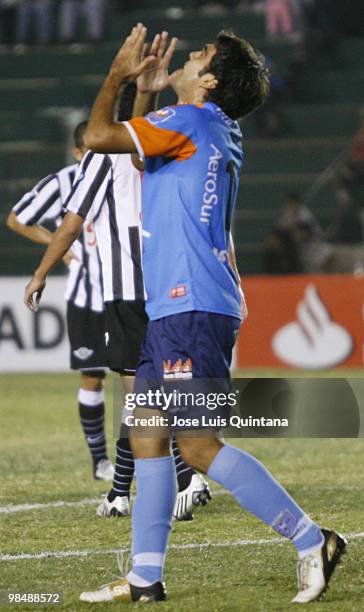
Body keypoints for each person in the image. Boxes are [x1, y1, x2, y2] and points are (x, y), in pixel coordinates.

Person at [25, 25, 347, 605]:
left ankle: (311, 538)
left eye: (199, 55)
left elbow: (99, 137)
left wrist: (119, 77)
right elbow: (139, 165)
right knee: (148, 436)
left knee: (195, 446)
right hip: (179, 304)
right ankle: (146, 578)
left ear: (211, 80)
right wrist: (147, 93)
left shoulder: (191, 122)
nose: (189, 55)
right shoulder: (209, 128)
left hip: (189, 305)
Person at [22, 50, 211, 520]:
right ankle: (145, 486)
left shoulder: (100, 162)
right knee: (165, 390)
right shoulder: (168, 149)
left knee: (141, 398)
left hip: (127, 294)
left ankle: (154, 485)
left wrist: (42, 271)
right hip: (172, 285)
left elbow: (69, 225)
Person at [8, 122, 114, 481]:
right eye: (90, 150)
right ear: (77, 153)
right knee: (93, 377)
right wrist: (59, 246)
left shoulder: (124, 175)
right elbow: (17, 219)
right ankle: (101, 461)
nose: (97, 156)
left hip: (127, 293)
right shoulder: (62, 182)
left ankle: (164, 461)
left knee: (144, 380)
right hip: (86, 297)